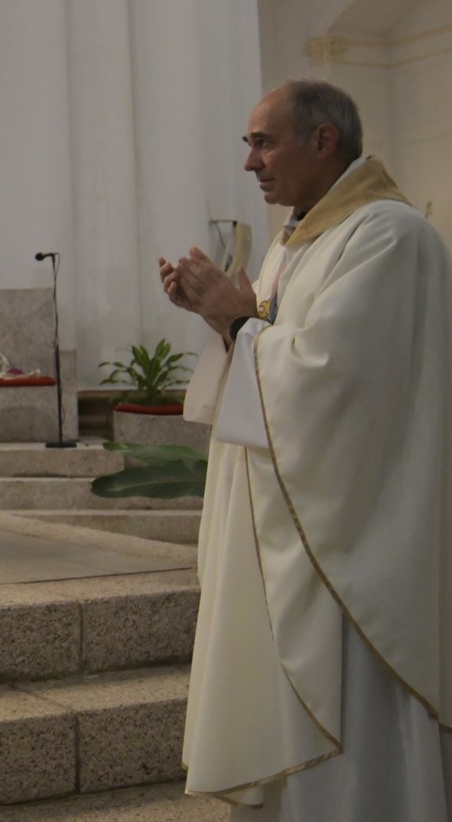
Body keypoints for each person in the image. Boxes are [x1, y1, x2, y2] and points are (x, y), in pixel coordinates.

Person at [165, 80, 452, 820]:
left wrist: (239, 324)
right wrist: (222, 320)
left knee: (353, 734)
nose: (248, 162)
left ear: (323, 141)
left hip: (351, 544)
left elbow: (338, 385)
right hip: (285, 533)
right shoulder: (296, 244)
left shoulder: (388, 236)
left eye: (262, 142)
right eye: (248, 144)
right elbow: (270, 366)